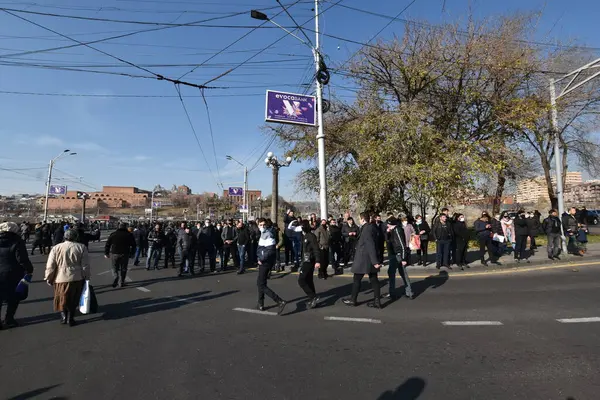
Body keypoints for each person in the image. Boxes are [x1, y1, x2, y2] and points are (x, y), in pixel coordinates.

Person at [45, 229, 90, 327]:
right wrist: (86, 276)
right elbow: (85, 265)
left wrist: (49, 277)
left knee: (62, 297)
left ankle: (64, 316)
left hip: (60, 277)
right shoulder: (81, 247)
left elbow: (51, 265)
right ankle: (71, 318)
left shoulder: (56, 248)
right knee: (74, 298)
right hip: (76, 277)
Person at [343, 212, 383, 308]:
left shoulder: (367, 229)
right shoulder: (370, 227)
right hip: (368, 258)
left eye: (360, 219)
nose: (359, 221)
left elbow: (370, 245)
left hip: (364, 259)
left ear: (363, 219)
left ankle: (353, 300)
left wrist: (375, 262)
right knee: (374, 279)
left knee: (357, 279)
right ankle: (377, 301)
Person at [0, 222, 34, 329]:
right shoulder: (17, 241)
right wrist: (29, 270)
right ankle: (9, 319)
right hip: (13, 273)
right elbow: (22, 259)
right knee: (14, 297)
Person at [255, 218, 287, 314]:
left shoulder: (268, 235)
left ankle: (279, 301)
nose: (262, 226)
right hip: (264, 261)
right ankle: (261, 304)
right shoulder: (263, 234)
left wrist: (261, 259)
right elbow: (261, 249)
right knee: (260, 282)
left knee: (261, 284)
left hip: (265, 262)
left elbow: (270, 251)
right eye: (260, 225)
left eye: (264, 224)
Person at [290, 220, 321, 308]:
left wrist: (318, 261)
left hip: (309, 261)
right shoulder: (303, 236)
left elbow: (316, 249)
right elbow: (291, 228)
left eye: (301, 226)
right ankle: (313, 300)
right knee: (309, 280)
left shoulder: (311, 236)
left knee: (301, 280)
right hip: (305, 260)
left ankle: (313, 297)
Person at [383, 217, 413, 300]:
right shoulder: (393, 230)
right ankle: (408, 292)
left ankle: (393, 293)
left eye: (389, 224)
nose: (387, 226)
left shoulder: (397, 230)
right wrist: (388, 233)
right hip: (394, 253)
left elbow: (402, 245)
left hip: (397, 255)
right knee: (401, 273)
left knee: (394, 272)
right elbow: (388, 240)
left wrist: (403, 258)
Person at [104, 222, 136, 288]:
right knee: (123, 268)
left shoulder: (113, 234)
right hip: (125, 253)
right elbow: (134, 245)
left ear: (119, 227)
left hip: (115, 253)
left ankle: (116, 276)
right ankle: (121, 282)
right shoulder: (129, 235)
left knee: (114, 267)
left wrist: (106, 253)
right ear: (125, 227)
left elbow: (108, 244)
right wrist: (132, 253)